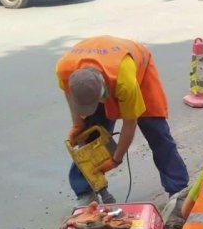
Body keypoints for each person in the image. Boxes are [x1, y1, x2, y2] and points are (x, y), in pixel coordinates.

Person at [57, 35, 189, 205]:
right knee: (89, 137)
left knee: (157, 133)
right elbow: (69, 95)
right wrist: (78, 124)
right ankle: (85, 191)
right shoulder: (64, 69)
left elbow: (130, 123)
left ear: (102, 90)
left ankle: (178, 191)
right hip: (100, 74)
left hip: (140, 71)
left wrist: (116, 159)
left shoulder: (124, 81)